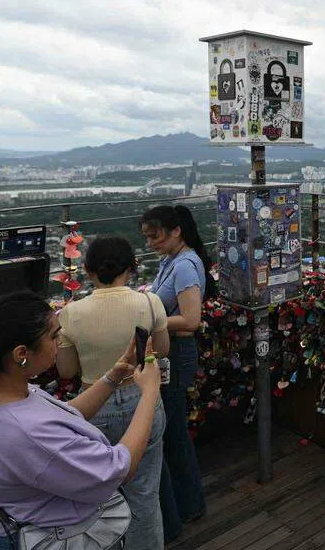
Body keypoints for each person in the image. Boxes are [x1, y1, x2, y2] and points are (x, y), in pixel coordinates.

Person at [0, 291, 162, 550]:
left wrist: (112, 378)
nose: (58, 342)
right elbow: (117, 470)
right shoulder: (23, 430)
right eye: (54, 336)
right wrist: (150, 392)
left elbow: (65, 416)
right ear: (21, 353)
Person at [56, 237, 170, 550]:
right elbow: (161, 349)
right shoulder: (150, 302)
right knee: (144, 495)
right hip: (141, 398)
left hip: (95, 405)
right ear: (131, 268)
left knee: (100, 500)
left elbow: (66, 371)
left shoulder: (70, 314)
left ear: (87, 270)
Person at [140, 205, 211, 541]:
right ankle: (186, 503)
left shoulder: (184, 266)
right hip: (169, 353)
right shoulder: (171, 261)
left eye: (156, 235)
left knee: (175, 432)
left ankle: (190, 504)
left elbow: (191, 319)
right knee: (172, 431)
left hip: (178, 353)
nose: (151, 242)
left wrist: (145, 320)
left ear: (176, 231)